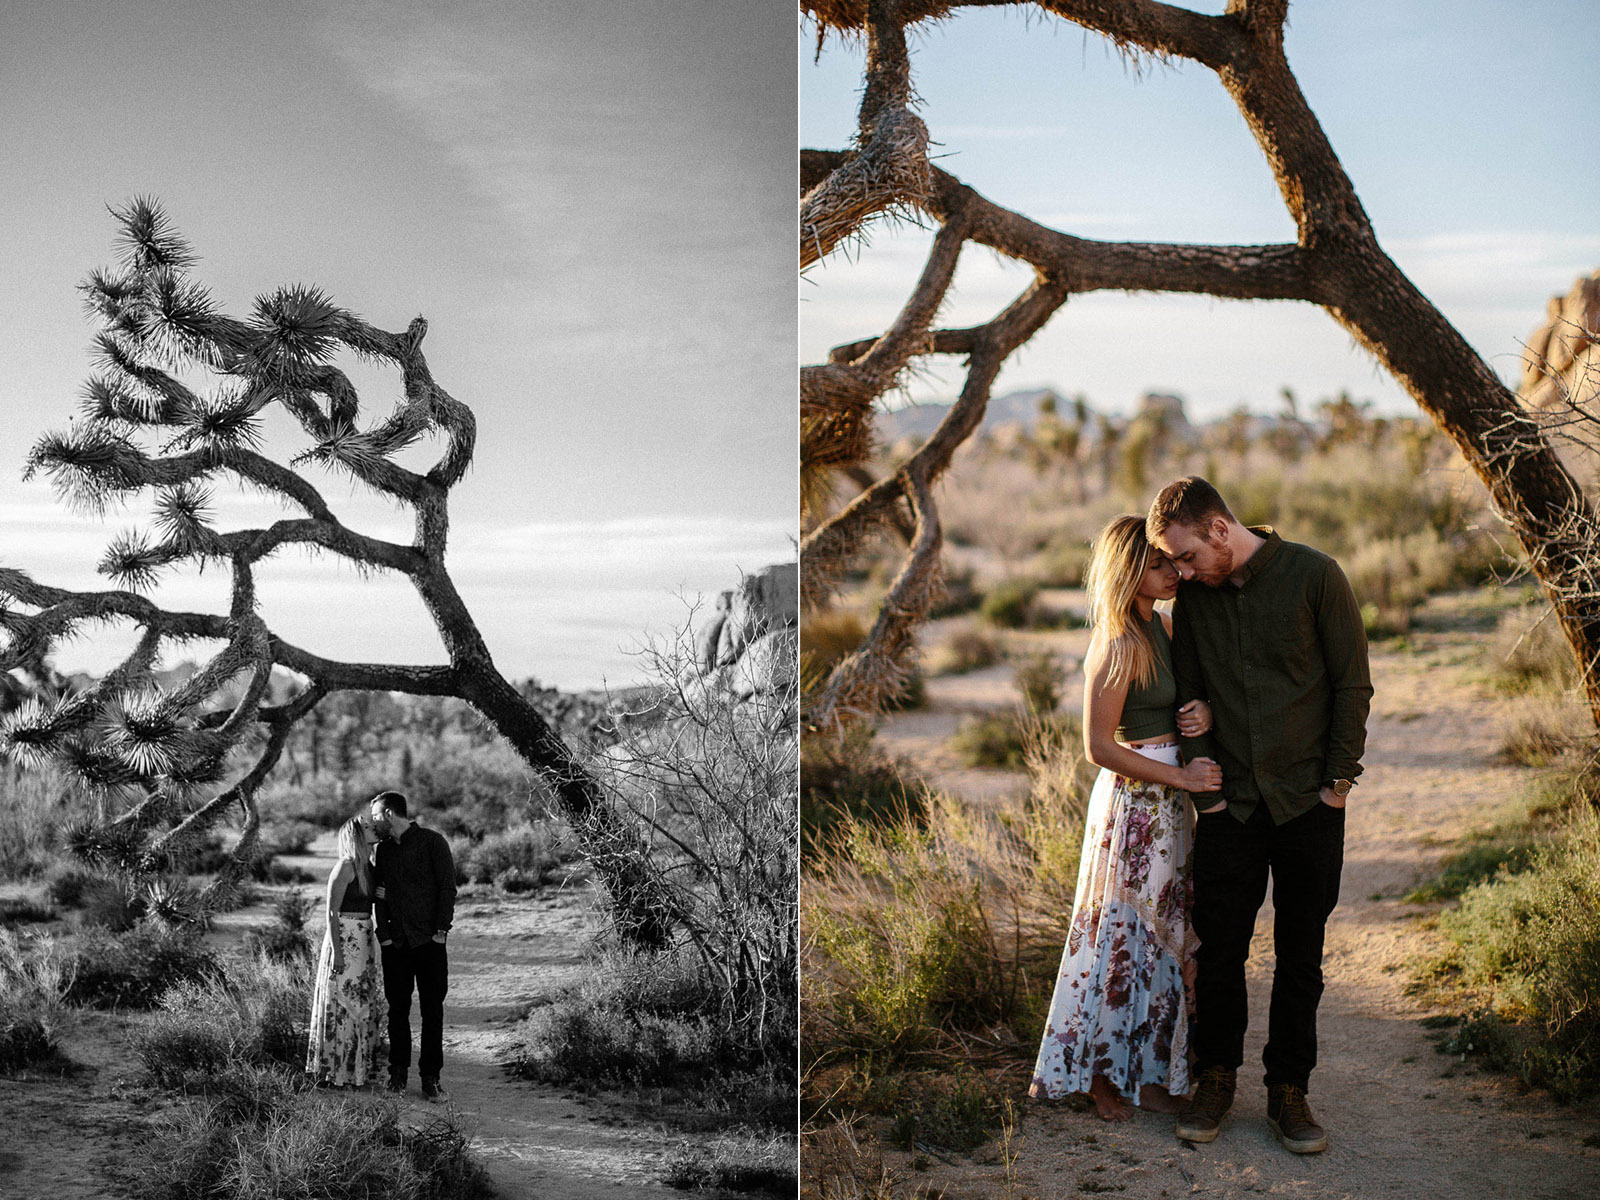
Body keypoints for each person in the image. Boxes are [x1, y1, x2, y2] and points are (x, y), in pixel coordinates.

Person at [1147, 477, 1371, 1155]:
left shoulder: (1316, 576)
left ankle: (1288, 1091)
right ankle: (1216, 1078)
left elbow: (1350, 683)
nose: (1180, 573)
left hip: (1309, 804)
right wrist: (1206, 790)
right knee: (1220, 953)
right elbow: (1188, 697)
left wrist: (1336, 782)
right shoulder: (1196, 601)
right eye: (1173, 562)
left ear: (1220, 529)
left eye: (1185, 556)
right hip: (1232, 808)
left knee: (1302, 955)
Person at [1029, 514, 1223, 1121]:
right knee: (1118, 934)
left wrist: (1204, 717)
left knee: (1164, 932)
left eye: (1173, 562)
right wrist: (1181, 778)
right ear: (1130, 569)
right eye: (1160, 564)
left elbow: (1182, 703)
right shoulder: (1116, 642)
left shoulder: (1164, 627)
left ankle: (1151, 1073)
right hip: (1134, 805)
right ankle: (1100, 1075)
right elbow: (1099, 748)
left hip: (1170, 803)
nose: (1173, 572)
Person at [369, 790, 457, 1100]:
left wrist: (441, 930)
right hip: (397, 945)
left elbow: (448, 889)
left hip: (430, 943)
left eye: (375, 815)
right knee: (398, 1011)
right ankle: (397, 1075)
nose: (372, 822)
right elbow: (379, 894)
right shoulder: (382, 851)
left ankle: (431, 1079)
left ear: (389, 815)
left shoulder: (433, 843)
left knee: (432, 1011)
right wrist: (385, 936)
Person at [306, 814, 387, 1088]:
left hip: (364, 938)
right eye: (366, 827)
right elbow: (331, 911)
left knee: (362, 1001)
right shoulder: (345, 867)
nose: (372, 828)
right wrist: (338, 953)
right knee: (342, 1002)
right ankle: (336, 1072)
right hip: (344, 938)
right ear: (355, 835)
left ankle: (357, 1072)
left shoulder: (369, 867)